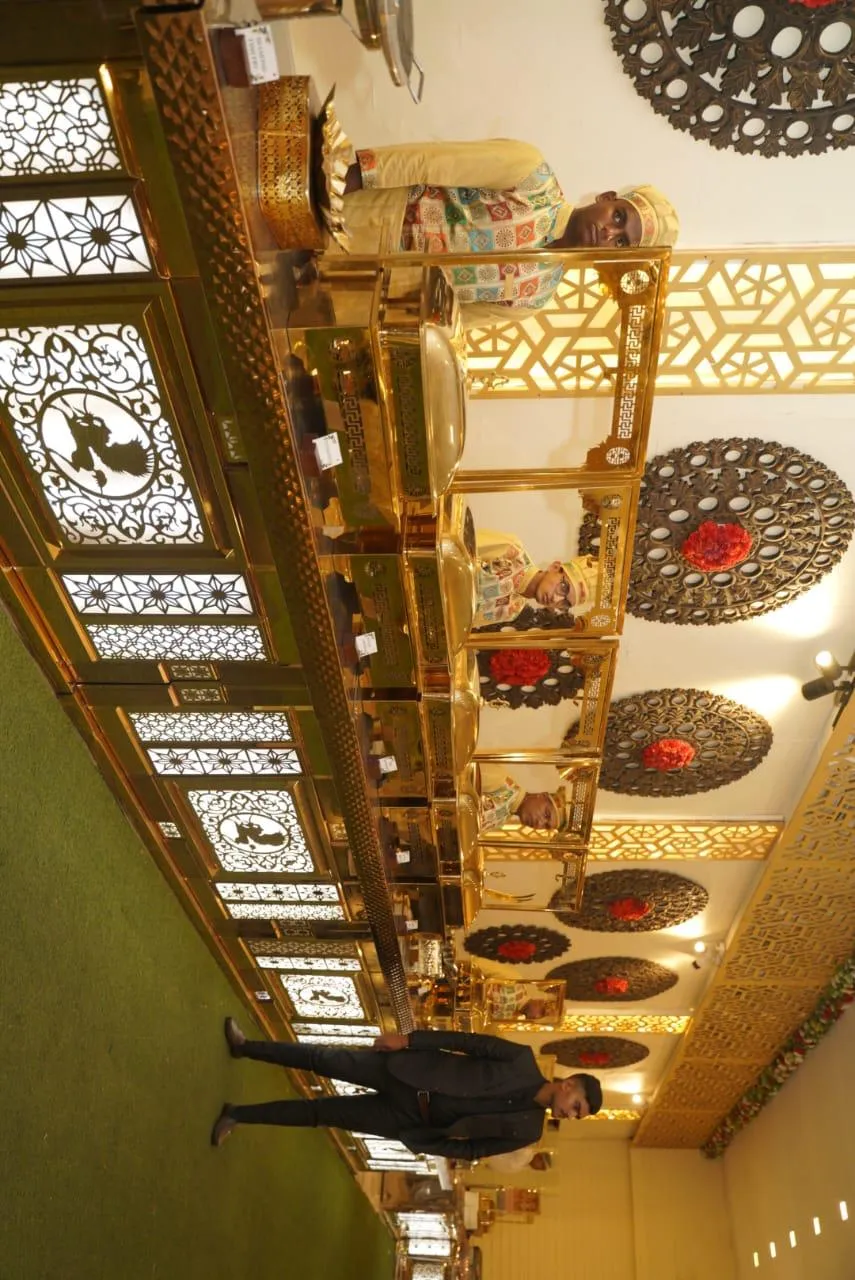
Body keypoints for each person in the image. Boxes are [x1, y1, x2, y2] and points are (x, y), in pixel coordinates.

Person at [338, 139, 679, 328]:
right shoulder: (531, 175)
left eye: (621, 241)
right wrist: (334, 184)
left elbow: (444, 322)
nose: (608, 232)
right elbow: (426, 161)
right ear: (606, 197)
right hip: (361, 217)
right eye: (618, 216)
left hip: (363, 292)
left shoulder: (535, 297)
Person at [211, 1020, 602, 1155]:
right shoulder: (521, 1059)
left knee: (321, 1114)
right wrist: (409, 1040)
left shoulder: (528, 1131)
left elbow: (473, 1151)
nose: (571, 1114)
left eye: (577, 1115)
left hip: (408, 1119)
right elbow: (465, 1042)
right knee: (323, 1058)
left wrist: (428, 1143)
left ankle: (237, 1115)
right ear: (569, 1084)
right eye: (577, 1106)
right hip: (408, 1071)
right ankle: (245, 1047)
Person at [474, 530, 599, 630]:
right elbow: (462, 547)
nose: (556, 599)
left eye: (565, 603)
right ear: (555, 567)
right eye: (563, 588)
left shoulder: (513, 610)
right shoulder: (512, 550)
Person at [478, 763, 569, 834]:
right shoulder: (500, 781)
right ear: (542, 795)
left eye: (546, 826)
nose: (539, 823)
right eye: (546, 814)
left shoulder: (504, 818)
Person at [483, 1146, 552, 1174]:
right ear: (539, 1158)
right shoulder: (526, 1151)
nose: (538, 1169)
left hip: (485, 1157)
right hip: (487, 1150)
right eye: (541, 1166)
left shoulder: (524, 1165)